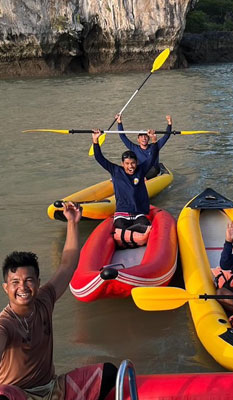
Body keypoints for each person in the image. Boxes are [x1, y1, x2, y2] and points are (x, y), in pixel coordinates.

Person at [0, 202, 117, 400]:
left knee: (109, 373)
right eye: (15, 282)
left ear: (38, 282)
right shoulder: (5, 323)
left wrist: (72, 222)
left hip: (53, 390)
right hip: (18, 395)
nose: (23, 287)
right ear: (6, 288)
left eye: (28, 280)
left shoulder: (44, 299)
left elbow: (67, 265)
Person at [92, 129, 159, 242]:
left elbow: (152, 157)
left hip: (138, 212)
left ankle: (135, 235)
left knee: (144, 224)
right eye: (127, 164)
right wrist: (95, 140)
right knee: (121, 226)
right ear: (122, 164)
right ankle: (131, 235)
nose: (130, 166)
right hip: (122, 212)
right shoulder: (115, 170)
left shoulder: (141, 169)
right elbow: (100, 158)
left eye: (133, 163)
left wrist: (154, 140)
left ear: (136, 162)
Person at [117, 114, 172, 179]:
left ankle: (143, 178)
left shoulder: (155, 146)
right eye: (141, 137)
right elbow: (123, 137)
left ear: (148, 138)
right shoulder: (134, 148)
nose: (144, 138)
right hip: (141, 170)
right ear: (138, 139)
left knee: (150, 171)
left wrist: (169, 123)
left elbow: (166, 136)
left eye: (145, 136)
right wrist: (119, 123)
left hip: (154, 170)